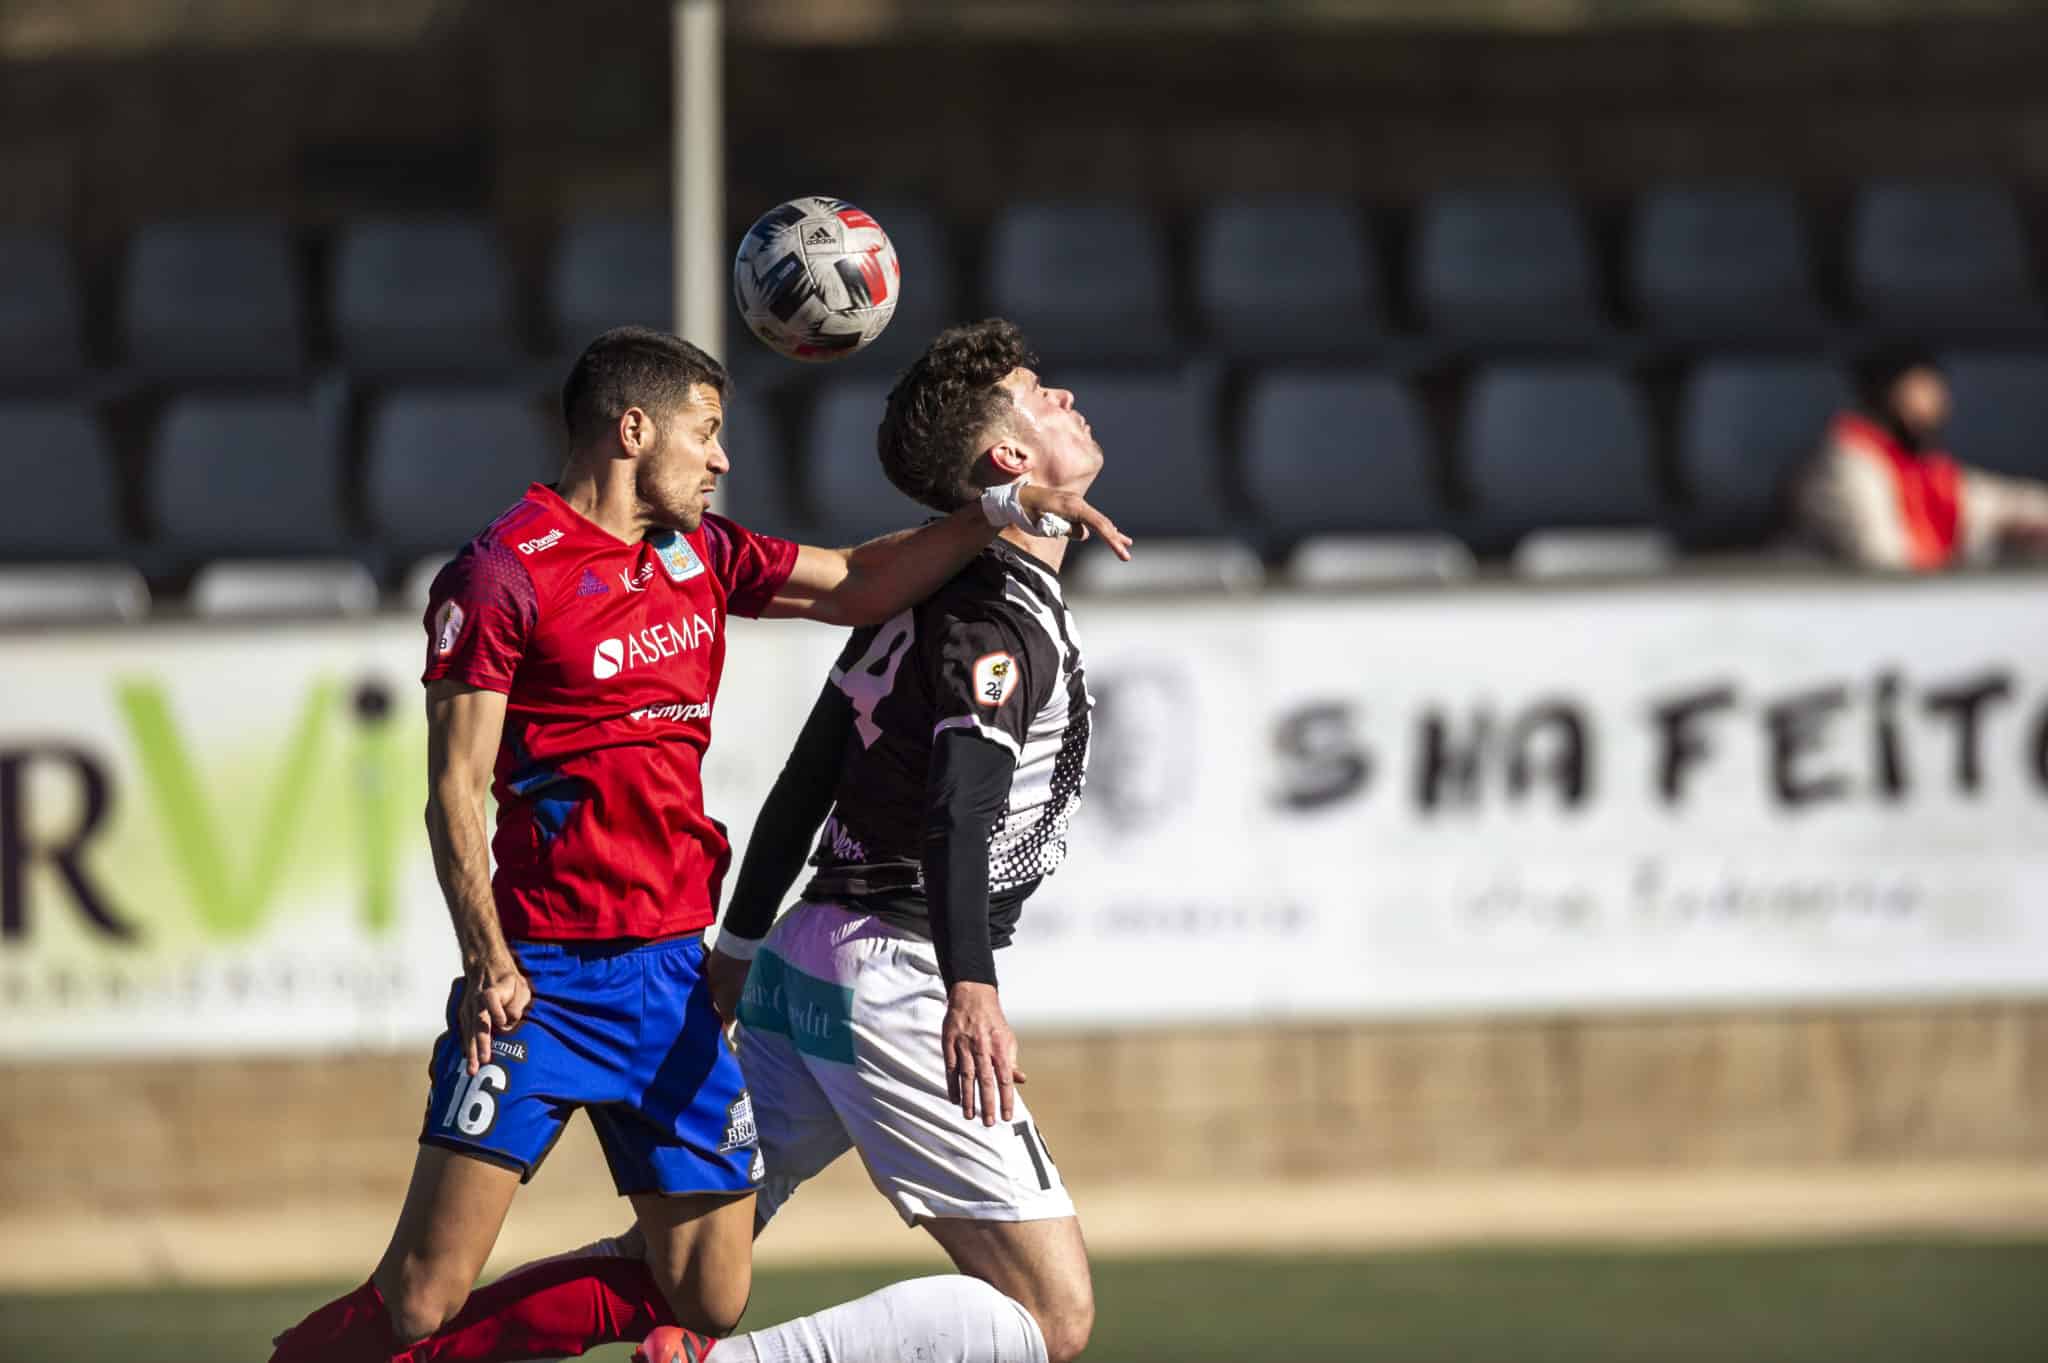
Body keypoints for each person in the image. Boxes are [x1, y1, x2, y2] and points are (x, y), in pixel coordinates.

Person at [266, 325, 1128, 1363]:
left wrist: (995, 509)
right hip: (552, 974)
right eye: (705, 433)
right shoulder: (501, 575)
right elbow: (453, 790)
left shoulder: (699, 555)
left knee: (705, 1289)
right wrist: (487, 956)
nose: (722, 459)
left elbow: (853, 592)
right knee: (420, 1291)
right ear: (634, 429)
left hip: (678, 977)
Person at [702, 317, 1102, 1363]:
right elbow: (958, 811)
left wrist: (741, 952)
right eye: (1037, 393)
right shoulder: (995, 621)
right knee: (1048, 1317)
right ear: (1008, 460)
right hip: (894, 971)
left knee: (691, 1254)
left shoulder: (917, 602)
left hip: (803, 962)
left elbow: (801, 784)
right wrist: (971, 985)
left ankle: (452, 1343)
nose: (1061, 398)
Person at [1798, 343, 2048, 570]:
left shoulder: (1921, 465)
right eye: (1920, 391)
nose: (1936, 406)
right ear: (1884, 394)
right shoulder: (1846, 463)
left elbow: (1996, 501)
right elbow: (1882, 558)